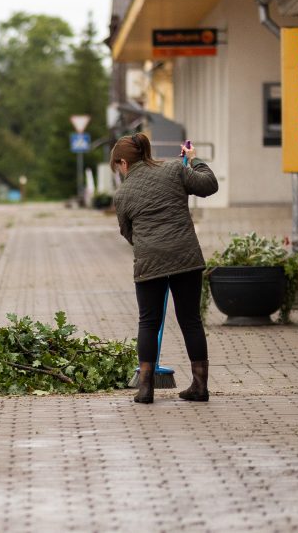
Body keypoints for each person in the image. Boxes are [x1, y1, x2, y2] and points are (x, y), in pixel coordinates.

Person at [111, 133, 218, 404]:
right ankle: (200, 386)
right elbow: (209, 186)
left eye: (118, 166)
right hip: (186, 257)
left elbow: (127, 232)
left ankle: (146, 389)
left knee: (148, 321)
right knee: (190, 319)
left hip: (149, 262)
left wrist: (149, 245)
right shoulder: (174, 169)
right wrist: (195, 161)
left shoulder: (122, 193)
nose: (119, 171)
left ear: (124, 162)